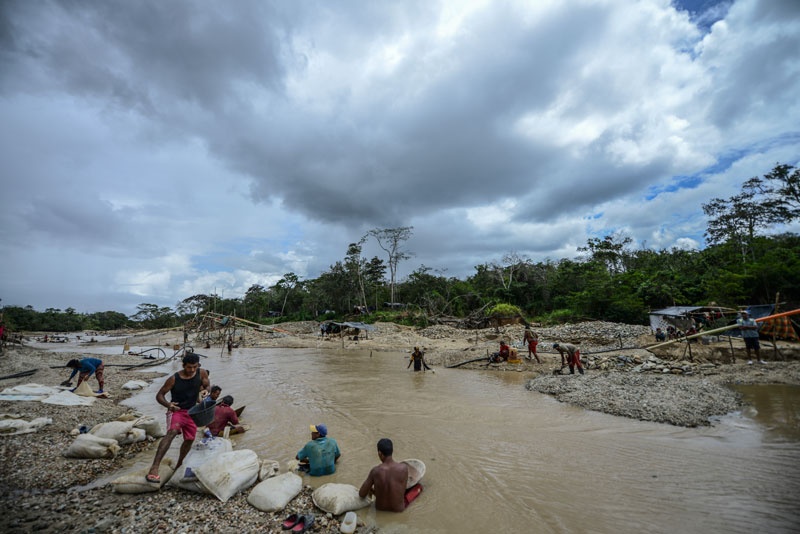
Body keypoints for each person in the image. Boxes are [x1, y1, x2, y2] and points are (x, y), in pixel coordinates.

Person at [146, 352, 210, 483]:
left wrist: (206, 391)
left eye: (194, 367)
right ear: (183, 365)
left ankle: (179, 465)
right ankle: (154, 467)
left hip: (192, 412)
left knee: (190, 439)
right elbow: (159, 395)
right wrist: (168, 404)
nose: (192, 370)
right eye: (189, 367)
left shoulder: (202, 373)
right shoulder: (174, 379)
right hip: (177, 411)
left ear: (198, 365)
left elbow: (207, 385)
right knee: (171, 433)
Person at [359, 438, 410, 512]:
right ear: (392, 451)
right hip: (398, 511)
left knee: (370, 488)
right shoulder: (404, 469)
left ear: (380, 453)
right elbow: (401, 491)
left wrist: (372, 491)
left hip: (380, 511)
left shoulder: (375, 471)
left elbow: (361, 494)